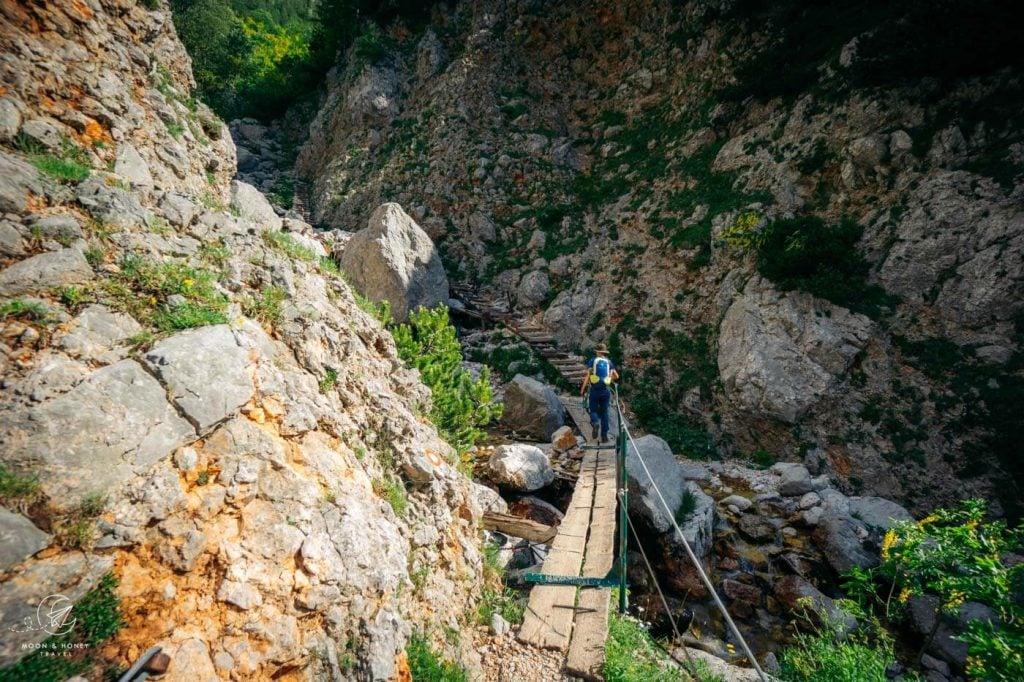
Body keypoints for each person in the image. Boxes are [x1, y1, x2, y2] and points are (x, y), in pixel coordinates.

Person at [580, 343, 620, 444]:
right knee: (604, 412)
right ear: (604, 352)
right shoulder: (609, 362)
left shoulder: (592, 361)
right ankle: (604, 437)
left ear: (597, 352)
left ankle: (595, 422)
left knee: (593, 410)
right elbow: (617, 376)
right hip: (605, 390)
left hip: (595, 390)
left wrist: (582, 389)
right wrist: (609, 378)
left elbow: (588, 376)